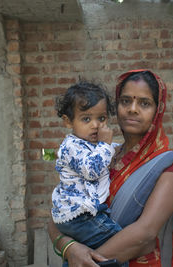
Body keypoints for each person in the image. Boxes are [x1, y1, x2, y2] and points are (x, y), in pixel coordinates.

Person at [48, 70, 173, 267]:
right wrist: (71, 249)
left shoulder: (170, 167)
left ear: (158, 110)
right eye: (125, 101)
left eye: (144, 103)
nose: (132, 109)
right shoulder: (99, 156)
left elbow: (144, 235)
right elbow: (57, 216)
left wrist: (85, 262)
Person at [51, 81, 123, 262]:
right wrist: (106, 145)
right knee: (120, 243)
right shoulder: (70, 147)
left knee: (86, 253)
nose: (95, 125)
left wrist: (116, 148)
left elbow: (109, 152)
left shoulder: (92, 145)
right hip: (79, 218)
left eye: (101, 118)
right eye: (86, 119)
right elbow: (92, 170)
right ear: (68, 121)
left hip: (80, 216)